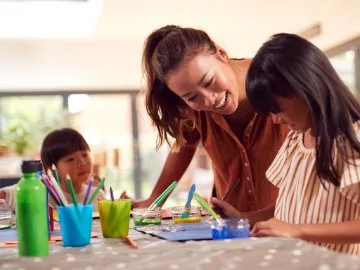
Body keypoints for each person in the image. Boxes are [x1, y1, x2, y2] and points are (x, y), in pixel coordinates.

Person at [121, 25, 289, 225]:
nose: (209, 100)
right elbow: (183, 145)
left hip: (291, 222)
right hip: (232, 227)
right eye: (192, 97)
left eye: (209, 81)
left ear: (221, 54)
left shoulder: (280, 81)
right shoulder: (194, 110)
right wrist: (154, 200)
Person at [242, 33, 360, 255]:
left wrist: (298, 231)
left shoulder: (353, 140)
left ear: (306, 87)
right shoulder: (295, 141)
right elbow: (291, 206)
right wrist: (245, 218)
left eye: (278, 109)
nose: (275, 119)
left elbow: (294, 226)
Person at [0, 128, 105, 210]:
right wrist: (5, 195)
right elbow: (11, 194)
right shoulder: (40, 193)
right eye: (70, 159)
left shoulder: (98, 195)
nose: (82, 163)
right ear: (52, 167)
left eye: (85, 155)